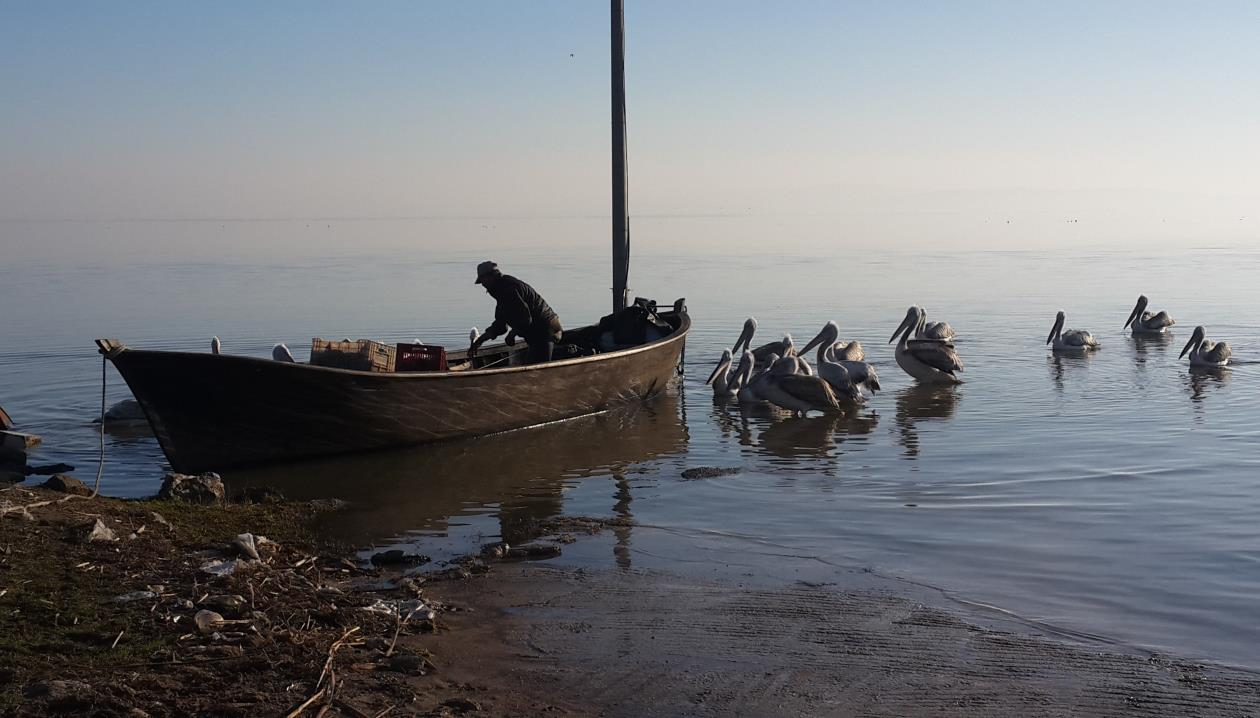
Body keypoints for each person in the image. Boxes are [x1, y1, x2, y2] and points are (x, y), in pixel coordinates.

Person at [469, 261, 563, 364]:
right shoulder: (501, 293)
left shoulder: (509, 289)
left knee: (535, 371)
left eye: (482, 280)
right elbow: (500, 326)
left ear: (490, 277)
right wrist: (479, 342)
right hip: (537, 334)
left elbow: (526, 319)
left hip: (546, 331)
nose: (482, 284)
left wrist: (512, 334)